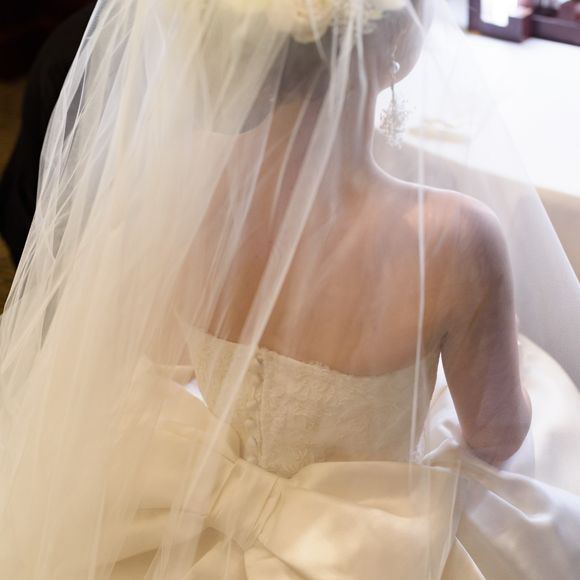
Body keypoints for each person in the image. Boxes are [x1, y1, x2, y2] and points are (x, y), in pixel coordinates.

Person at [0, 0, 580, 578]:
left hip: (186, 519)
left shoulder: (177, 179)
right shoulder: (456, 239)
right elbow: (497, 437)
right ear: (398, 44)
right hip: (373, 546)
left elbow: (167, 356)